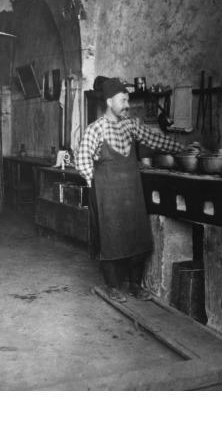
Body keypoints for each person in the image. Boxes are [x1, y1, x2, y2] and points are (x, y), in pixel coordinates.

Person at [75, 76, 184, 303]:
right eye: (123, 100)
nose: (127, 105)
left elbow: (155, 140)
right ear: (108, 102)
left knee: (137, 237)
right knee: (110, 239)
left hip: (131, 193)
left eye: (127, 100)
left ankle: (135, 284)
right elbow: (83, 161)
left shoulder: (131, 125)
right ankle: (112, 286)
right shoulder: (95, 130)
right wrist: (97, 187)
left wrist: (183, 148)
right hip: (107, 195)